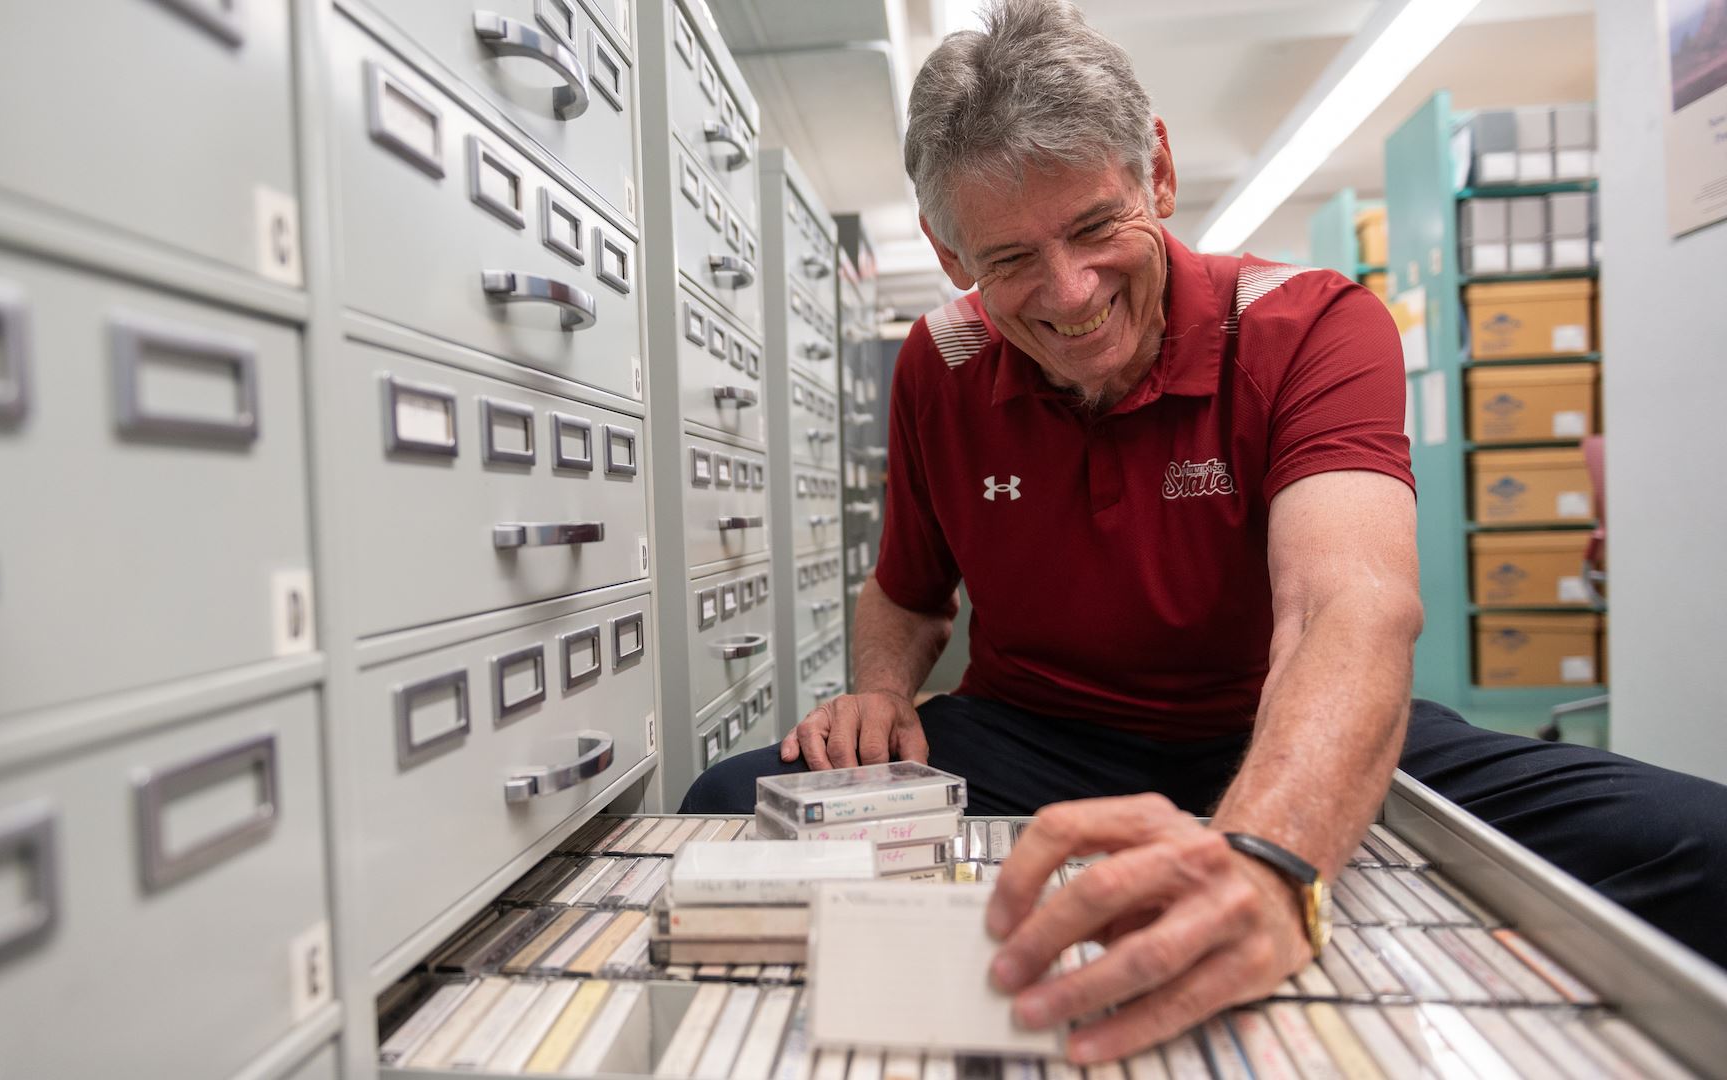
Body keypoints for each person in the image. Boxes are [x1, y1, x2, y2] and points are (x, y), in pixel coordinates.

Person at [681, 0, 1727, 1061]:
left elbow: (1344, 607)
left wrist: (1272, 854)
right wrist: (880, 691)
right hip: (1033, 739)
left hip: (1279, 723)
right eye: (1009, 260)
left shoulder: (1312, 323)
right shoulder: (936, 363)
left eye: (1095, 228)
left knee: (1704, 847)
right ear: (954, 261)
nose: (1070, 292)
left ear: (1158, 176)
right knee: (726, 804)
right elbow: (908, 592)